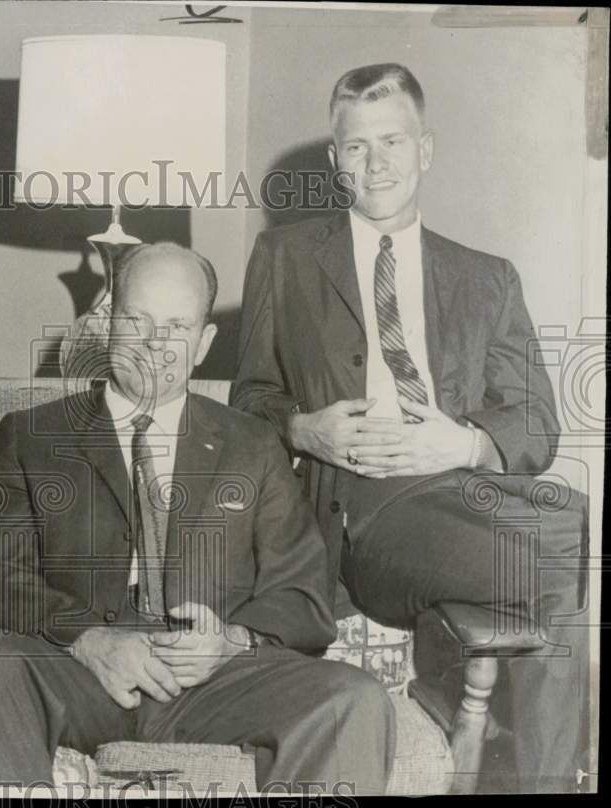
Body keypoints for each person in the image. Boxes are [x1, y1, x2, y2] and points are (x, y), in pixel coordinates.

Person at [231, 63, 588, 792]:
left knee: (565, 548)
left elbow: (537, 423)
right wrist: (304, 430)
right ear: (336, 161)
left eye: (393, 141)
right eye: (357, 147)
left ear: (425, 148)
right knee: (564, 552)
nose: (377, 163)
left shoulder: (488, 278)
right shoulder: (285, 259)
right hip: (361, 509)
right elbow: (246, 405)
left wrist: (465, 441)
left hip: (463, 496)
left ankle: (475, 720)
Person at [0, 242, 395, 796]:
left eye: (178, 327)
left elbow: (302, 594)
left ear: (204, 342)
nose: (156, 346)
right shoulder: (29, 435)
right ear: (107, 324)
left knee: (351, 698)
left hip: (213, 680)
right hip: (81, 674)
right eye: (139, 321)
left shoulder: (252, 444)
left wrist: (230, 641)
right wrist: (88, 640)